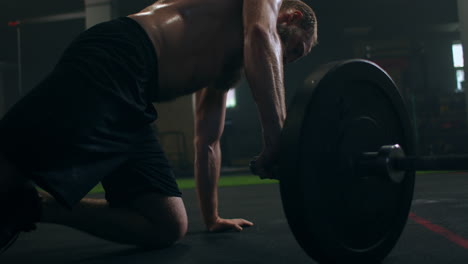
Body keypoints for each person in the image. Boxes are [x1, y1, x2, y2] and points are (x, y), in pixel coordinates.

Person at [0, 0, 318, 252]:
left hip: (136, 99)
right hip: (118, 56)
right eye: (295, 50)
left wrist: (212, 217)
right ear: (290, 16)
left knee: (166, 224)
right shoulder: (263, 16)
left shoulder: (227, 65)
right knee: (11, 166)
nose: (287, 59)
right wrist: (276, 139)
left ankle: (31, 207)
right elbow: (262, 35)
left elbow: (208, 141)